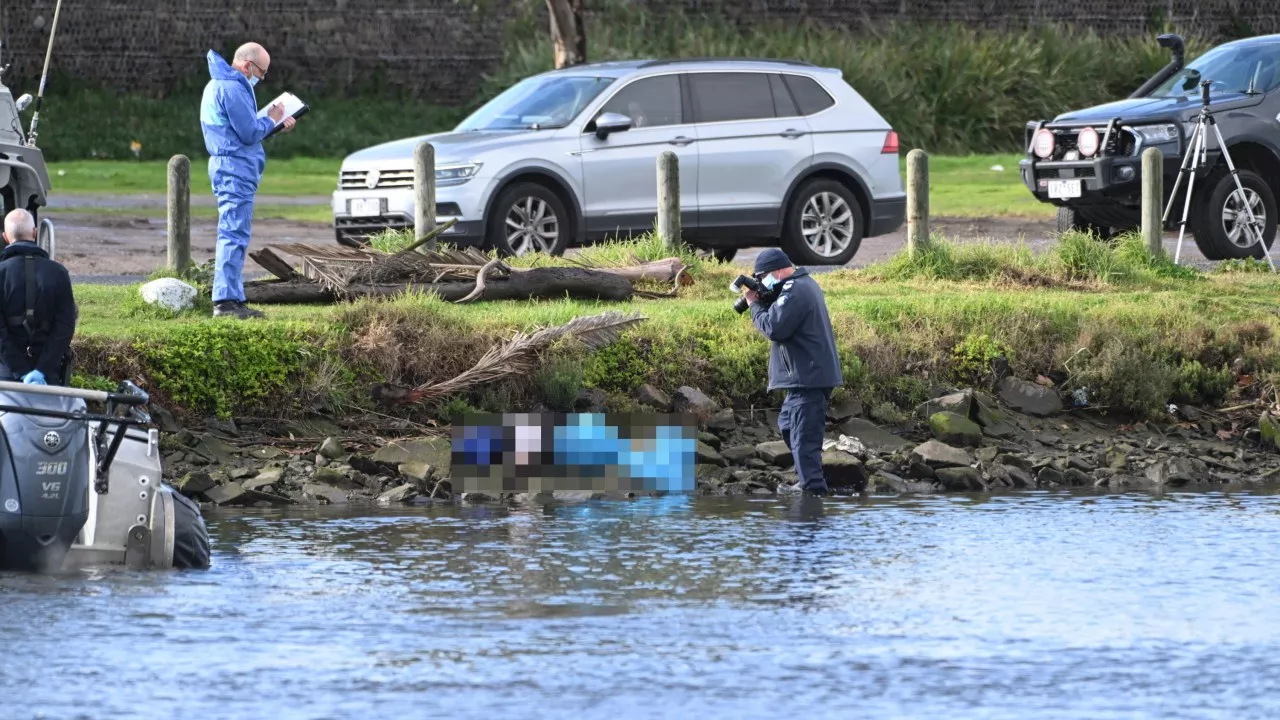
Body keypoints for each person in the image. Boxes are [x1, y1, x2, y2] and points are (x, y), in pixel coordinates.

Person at [200, 42, 297, 320]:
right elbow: (248, 132)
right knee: (233, 233)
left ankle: (233, 297)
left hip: (230, 165)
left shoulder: (218, 85)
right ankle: (226, 302)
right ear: (247, 65)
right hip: (234, 167)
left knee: (234, 232)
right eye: (261, 72)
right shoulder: (231, 88)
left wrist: (273, 125)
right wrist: (272, 119)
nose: (261, 78)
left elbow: (241, 130)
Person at [743, 248, 843, 496]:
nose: (761, 282)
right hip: (805, 377)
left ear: (776, 271)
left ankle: (812, 491)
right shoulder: (799, 286)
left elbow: (774, 328)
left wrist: (754, 305)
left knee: (803, 440)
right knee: (789, 425)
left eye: (762, 277)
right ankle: (809, 480)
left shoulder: (795, 290)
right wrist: (766, 299)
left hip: (807, 378)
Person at [0, 209, 76, 386]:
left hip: (5, 376)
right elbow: (65, 326)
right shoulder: (59, 273)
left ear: (4, 237)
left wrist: (20, 370)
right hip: (47, 377)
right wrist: (42, 369)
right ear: (35, 233)